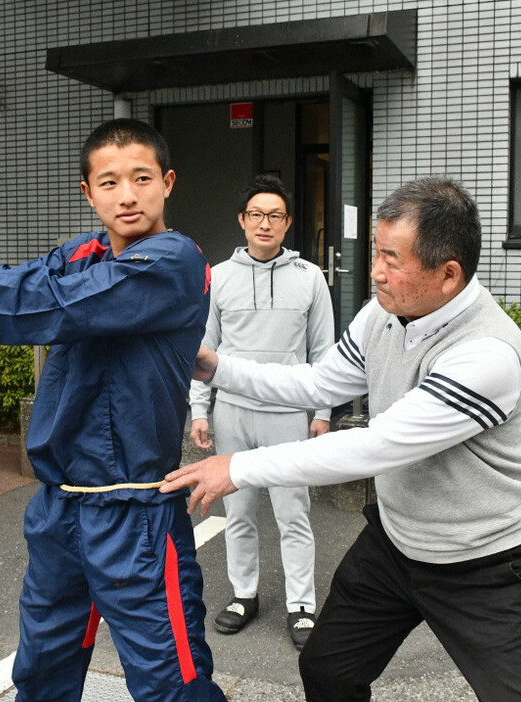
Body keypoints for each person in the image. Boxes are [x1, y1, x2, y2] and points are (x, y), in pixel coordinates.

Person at [0, 119, 227, 702]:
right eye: (109, 182)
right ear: (87, 192)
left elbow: (52, 308)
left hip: (136, 516)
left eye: (142, 178)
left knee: (169, 683)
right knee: (42, 668)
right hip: (59, 510)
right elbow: (16, 288)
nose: (126, 195)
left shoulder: (174, 261)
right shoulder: (83, 253)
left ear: (168, 183)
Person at [161, 176, 521, 701]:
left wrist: (238, 468)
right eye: (376, 252)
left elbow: (375, 445)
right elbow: (317, 382)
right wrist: (215, 369)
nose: (375, 272)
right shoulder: (384, 314)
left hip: (485, 560)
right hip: (396, 544)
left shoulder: (486, 355)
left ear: (448, 274)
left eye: (392, 259)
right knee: (327, 672)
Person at [189, 173, 334, 649]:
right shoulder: (220, 277)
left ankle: (301, 605)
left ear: (288, 222)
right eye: (256, 215)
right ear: (242, 220)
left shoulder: (310, 278)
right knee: (240, 511)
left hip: (288, 414)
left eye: (275, 215)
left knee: (294, 513)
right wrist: (200, 410)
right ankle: (243, 595)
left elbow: (322, 352)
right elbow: (204, 348)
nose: (265, 223)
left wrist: (322, 411)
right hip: (232, 413)